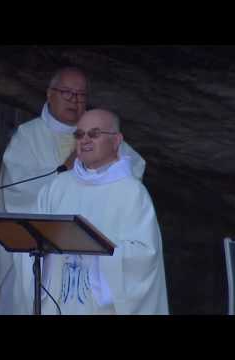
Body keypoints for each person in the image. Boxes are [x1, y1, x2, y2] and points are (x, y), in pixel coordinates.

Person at [0, 67, 146, 314]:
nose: (75, 100)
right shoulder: (27, 137)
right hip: (42, 250)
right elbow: (18, 192)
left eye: (80, 95)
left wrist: (100, 174)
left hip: (92, 250)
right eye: (67, 93)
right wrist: (66, 172)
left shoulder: (99, 132)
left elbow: (134, 167)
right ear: (49, 94)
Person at [36, 109, 168, 315]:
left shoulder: (132, 192)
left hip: (102, 307)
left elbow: (145, 255)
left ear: (116, 141)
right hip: (58, 302)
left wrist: (97, 252)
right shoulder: (57, 187)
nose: (85, 140)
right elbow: (32, 238)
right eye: (79, 134)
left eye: (94, 134)